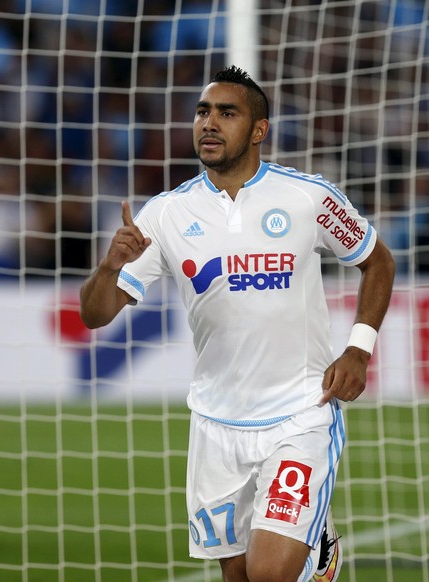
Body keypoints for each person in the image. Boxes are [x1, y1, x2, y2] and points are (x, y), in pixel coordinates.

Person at [79, 66, 395, 582]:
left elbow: (377, 260)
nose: (210, 122)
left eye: (227, 113)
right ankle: (314, 550)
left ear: (258, 130)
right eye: (204, 111)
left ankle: (320, 553)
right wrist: (110, 266)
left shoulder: (307, 198)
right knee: (239, 576)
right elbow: (95, 313)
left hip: (300, 413)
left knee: (270, 574)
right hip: (215, 425)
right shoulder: (166, 214)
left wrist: (358, 349)